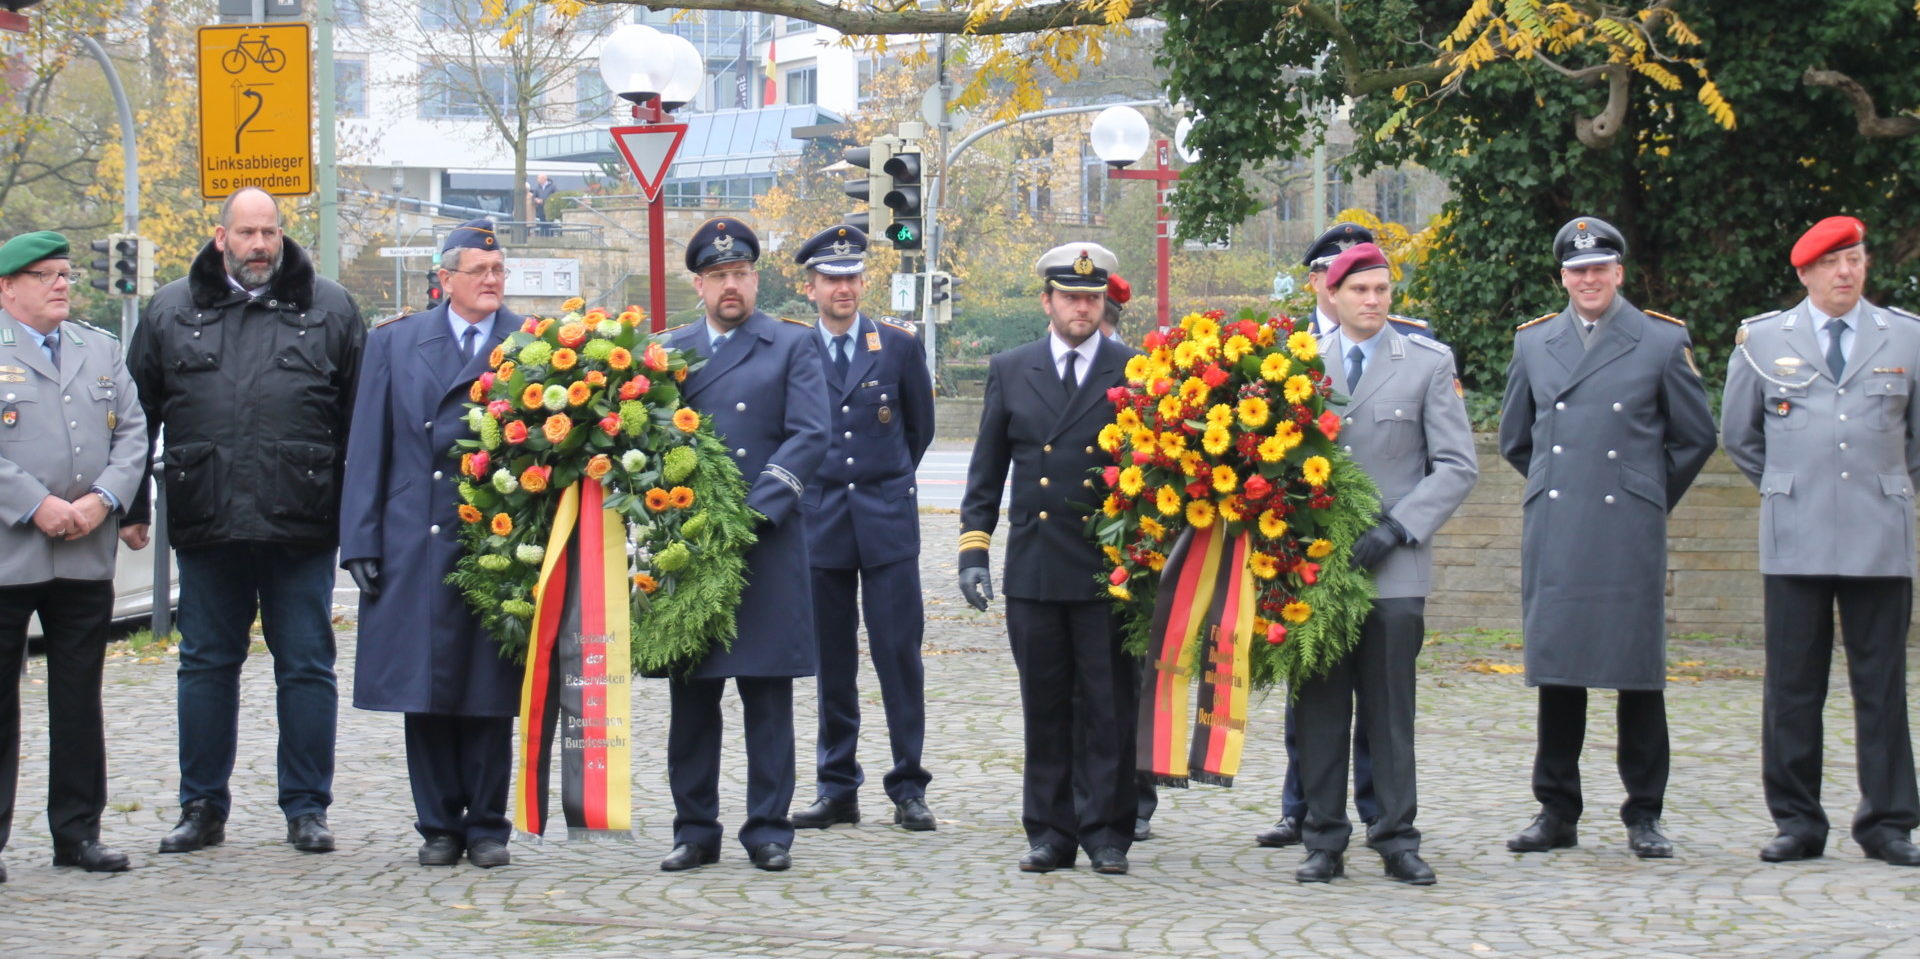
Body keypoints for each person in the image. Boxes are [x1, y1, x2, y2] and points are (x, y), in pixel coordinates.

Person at [126, 186, 365, 856]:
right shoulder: (172, 308)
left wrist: (362, 519)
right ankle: (201, 805)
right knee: (204, 665)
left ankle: (307, 807)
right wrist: (133, 507)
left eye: (270, 231)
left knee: (308, 666)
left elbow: (360, 423)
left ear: (283, 235)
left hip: (303, 521)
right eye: (247, 232)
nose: (260, 244)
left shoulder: (332, 307)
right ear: (219, 235)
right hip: (209, 518)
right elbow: (137, 412)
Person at [1497, 215, 1716, 860]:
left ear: (1619, 272)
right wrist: (1558, 480)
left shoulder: (1657, 339)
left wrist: (1645, 492)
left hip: (1628, 528)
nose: (1588, 280)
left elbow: (1697, 435)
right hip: (1560, 526)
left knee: (1637, 675)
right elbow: (1516, 438)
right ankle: (1555, 809)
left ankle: (1644, 813)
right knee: (1560, 672)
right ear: (1562, 276)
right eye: (1576, 270)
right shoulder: (1535, 345)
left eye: (1599, 269)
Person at [1722, 216, 1920, 867]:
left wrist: (1886, 483)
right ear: (1804, 272)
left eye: (1855, 259)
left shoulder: (1907, 337)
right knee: (1793, 685)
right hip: (1797, 533)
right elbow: (1740, 435)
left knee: (1882, 684)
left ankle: (1888, 820)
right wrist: (1788, 484)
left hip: (1877, 535)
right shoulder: (1762, 339)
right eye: (1832, 262)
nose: (1846, 272)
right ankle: (1798, 819)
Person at [339, 220, 522, 868]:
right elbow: (369, 445)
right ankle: (439, 823)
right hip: (414, 532)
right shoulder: (396, 343)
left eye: (499, 271)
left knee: (489, 686)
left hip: (496, 539)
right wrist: (360, 537)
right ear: (446, 280)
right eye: (481, 271)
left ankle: (489, 823)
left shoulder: (529, 343)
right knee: (425, 686)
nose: (494, 281)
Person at [1294, 243, 1477, 885]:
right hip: (1318, 568)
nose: (1373, 301)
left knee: (1390, 709)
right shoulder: (1298, 365)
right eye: (1360, 291)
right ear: (1333, 295)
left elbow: (1457, 464)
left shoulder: (1425, 362)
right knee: (1319, 707)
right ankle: (1322, 837)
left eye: (1382, 290)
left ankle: (1396, 834)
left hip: (1394, 566)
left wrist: (1400, 525)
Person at [958, 243, 1138, 876]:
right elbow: (986, 472)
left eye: (1092, 299)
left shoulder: (1133, 370)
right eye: (1070, 297)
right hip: (1035, 565)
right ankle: (1050, 830)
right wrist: (973, 552)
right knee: (1046, 703)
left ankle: (1108, 830)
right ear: (1048, 301)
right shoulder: (1012, 368)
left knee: (1108, 703)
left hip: (1108, 568)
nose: (1082, 308)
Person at [658, 217, 829, 873]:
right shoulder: (668, 354)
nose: (732, 286)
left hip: (764, 542)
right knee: (693, 698)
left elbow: (809, 435)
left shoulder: (791, 346)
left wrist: (750, 512)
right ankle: (695, 828)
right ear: (698, 283)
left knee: (766, 694)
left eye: (742, 274)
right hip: (692, 547)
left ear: (756, 278)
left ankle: (768, 828)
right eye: (719, 276)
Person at [0, 232, 147, 881]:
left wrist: (103, 500)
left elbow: (135, 433)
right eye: (43, 275)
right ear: (7, 286)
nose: (61, 283)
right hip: (10, 551)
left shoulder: (100, 349)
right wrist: (36, 503)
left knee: (78, 697)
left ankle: (78, 830)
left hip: (85, 552)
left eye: (64, 272)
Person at [784, 226, 938, 834]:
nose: (842, 288)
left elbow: (917, 432)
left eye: (850, 277)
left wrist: (884, 483)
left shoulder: (896, 346)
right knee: (832, 661)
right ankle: (836, 786)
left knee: (899, 656)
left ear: (861, 283)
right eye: (831, 278)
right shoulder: (794, 351)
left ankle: (909, 785)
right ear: (810, 287)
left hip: (885, 523)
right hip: (821, 523)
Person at [1093, 272, 1158, 843]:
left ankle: (1135, 793)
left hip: (1131, 548)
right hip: (1076, 546)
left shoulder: (1138, 373)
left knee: (1129, 677)